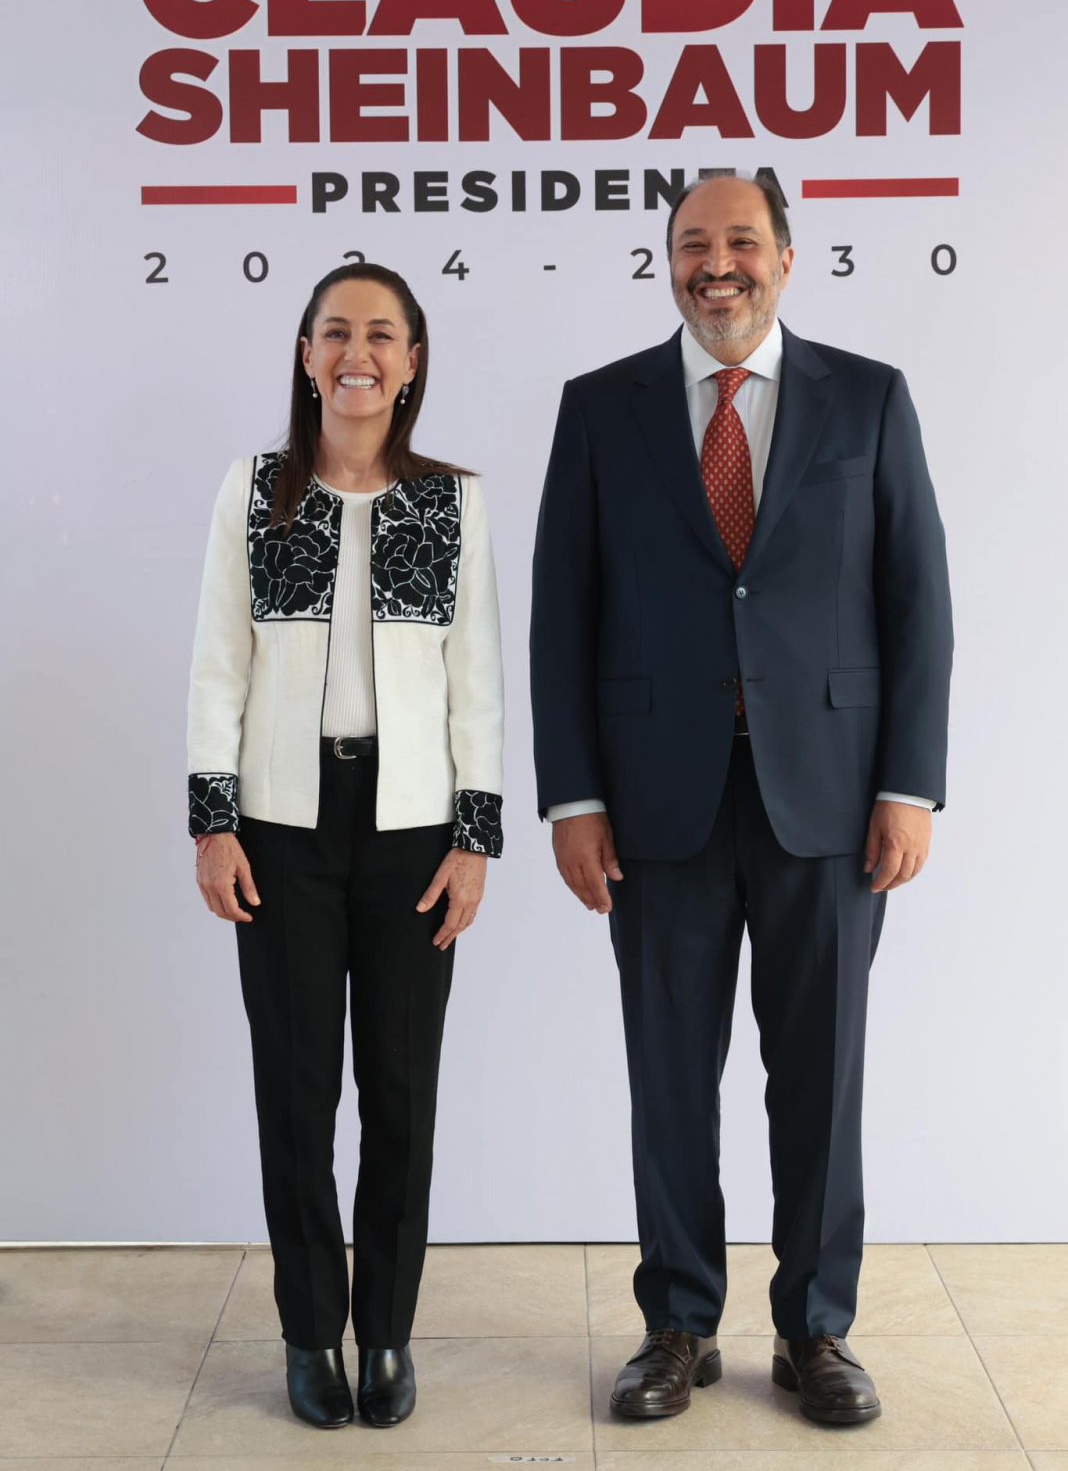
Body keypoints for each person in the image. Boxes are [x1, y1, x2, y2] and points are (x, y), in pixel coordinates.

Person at [530, 175, 952, 1426]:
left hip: (830, 800)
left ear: (786, 256)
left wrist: (909, 783)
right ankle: (678, 1320)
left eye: (742, 242)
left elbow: (918, 601)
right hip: (654, 803)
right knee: (669, 1074)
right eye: (692, 244)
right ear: (668, 260)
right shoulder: (600, 406)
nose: (717, 265)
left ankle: (816, 1327)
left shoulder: (869, 398)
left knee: (821, 1076)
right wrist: (573, 796)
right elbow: (562, 615)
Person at [187, 262, 504, 1430]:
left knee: (402, 1092)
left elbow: (478, 679)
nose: (356, 352)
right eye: (335, 331)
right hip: (282, 825)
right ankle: (311, 1330)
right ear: (307, 354)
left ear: (412, 361)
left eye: (380, 333)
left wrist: (476, 838)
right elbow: (219, 661)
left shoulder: (453, 500)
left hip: (414, 827)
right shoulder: (255, 488)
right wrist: (214, 819)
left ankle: (389, 1335)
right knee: (297, 1091)